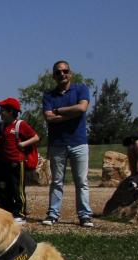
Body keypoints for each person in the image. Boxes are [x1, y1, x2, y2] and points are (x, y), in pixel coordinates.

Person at [42, 60, 93, 227]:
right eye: (58, 72)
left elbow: (83, 108)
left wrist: (58, 111)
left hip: (79, 142)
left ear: (70, 73)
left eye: (65, 71)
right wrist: (72, 112)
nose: (62, 74)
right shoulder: (49, 96)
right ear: (54, 76)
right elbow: (48, 117)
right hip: (58, 143)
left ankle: (85, 215)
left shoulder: (81, 88)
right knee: (57, 181)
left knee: (82, 181)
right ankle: (53, 214)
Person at [0, 97, 39, 223]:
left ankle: (21, 213)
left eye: (2, 110)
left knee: (17, 189)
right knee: (6, 188)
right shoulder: (3, 126)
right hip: (5, 162)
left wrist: (23, 144)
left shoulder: (20, 125)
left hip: (17, 162)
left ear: (11, 112)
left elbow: (35, 137)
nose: (0, 112)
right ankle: (9, 212)